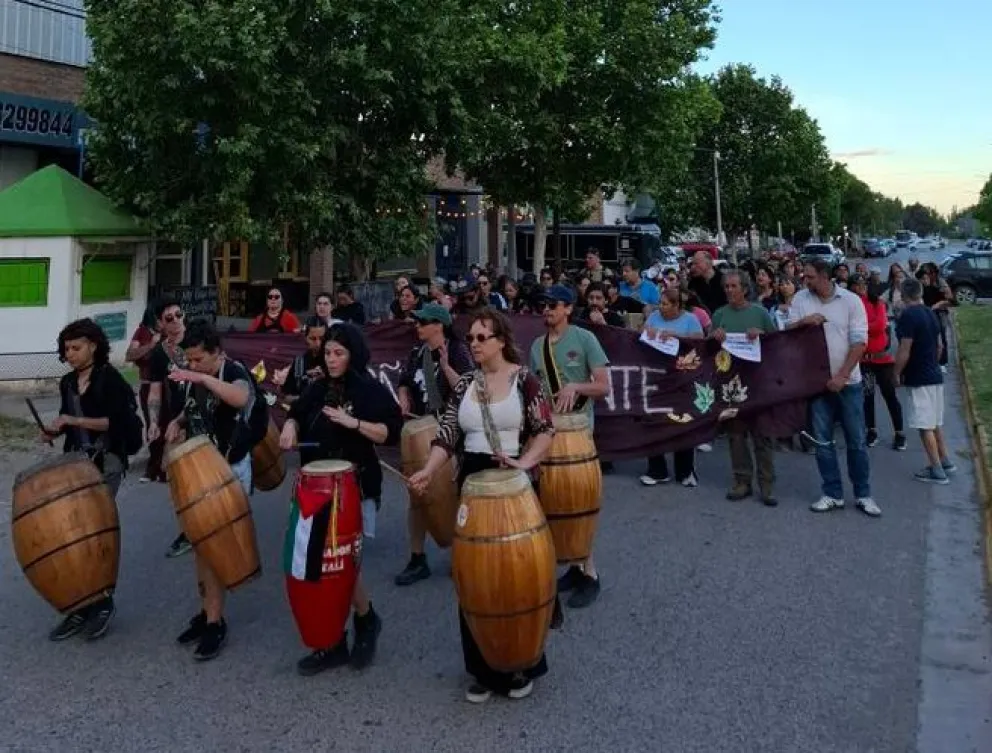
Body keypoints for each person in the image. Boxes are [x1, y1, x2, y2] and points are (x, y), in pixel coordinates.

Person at [407, 310, 556, 702]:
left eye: (481, 338)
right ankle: (482, 667)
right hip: (472, 484)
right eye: (471, 337)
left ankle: (522, 661)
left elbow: (545, 430)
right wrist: (427, 469)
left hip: (514, 483)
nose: (472, 343)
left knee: (516, 578)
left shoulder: (526, 381)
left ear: (500, 342)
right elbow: (447, 434)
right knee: (474, 578)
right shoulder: (465, 386)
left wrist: (525, 463)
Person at [277, 323, 401, 674]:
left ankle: (364, 621)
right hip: (315, 489)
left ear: (353, 356)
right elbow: (297, 413)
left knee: (344, 563)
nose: (331, 359)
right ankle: (333, 640)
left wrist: (353, 422)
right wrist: (290, 427)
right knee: (319, 564)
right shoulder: (316, 388)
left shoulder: (369, 390)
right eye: (327, 352)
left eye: (338, 353)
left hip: (354, 484)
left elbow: (390, 432)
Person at [160, 319, 266, 661]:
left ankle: (214, 621)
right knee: (201, 547)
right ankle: (208, 613)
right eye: (188, 361)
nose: (192, 366)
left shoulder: (233, 370)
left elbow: (239, 397)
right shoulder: (196, 377)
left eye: (198, 360)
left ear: (216, 354)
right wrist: (176, 422)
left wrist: (201, 377)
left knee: (212, 547)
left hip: (228, 469)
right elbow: (191, 409)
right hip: (201, 471)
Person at [41, 318, 136, 642]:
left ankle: (102, 603)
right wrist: (55, 429)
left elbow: (115, 422)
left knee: (94, 532)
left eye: (76, 347)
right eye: (66, 348)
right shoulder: (67, 382)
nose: (70, 354)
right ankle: (81, 604)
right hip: (75, 462)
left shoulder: (110, 379)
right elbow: (68, 420)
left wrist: (73, 419)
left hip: (106, 461)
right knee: (71, 534)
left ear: (93, 346)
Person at [529, 285, 611, 608]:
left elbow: (604, 386)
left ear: (567, 308)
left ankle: (590, 571)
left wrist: (576, 386)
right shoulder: (537, 346)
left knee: (578, 502)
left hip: (578, 434)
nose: (546, 309)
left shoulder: (585, 339)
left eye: (553, 304)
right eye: (544, 304)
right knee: (554, 503)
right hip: (548, 433)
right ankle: (575, 566)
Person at [788, 258, 879, 517]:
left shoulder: (851, 301)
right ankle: (832, 493)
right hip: (816, 384)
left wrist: (842, 375)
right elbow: (787, 332)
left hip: (847, 383)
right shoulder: (800, 300)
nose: (806, 281)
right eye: (805, 277)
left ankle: (863, 494)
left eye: (810, 277)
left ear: (825, 276)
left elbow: (859, 342)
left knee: (856, 441)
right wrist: (802, 323)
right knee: (822, 441)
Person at [394, 304, 473, 586]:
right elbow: (404, 380)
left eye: (423, 322)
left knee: (456, 494)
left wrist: (447, 367)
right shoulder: (417, 353)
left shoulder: (459, 350)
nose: (417, 326)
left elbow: (468, 389)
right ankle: (417, 558)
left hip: (453, 432)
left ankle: (460, 554)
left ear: (439, 325)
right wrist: (404, 395)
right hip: (423, 429)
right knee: (417, 496)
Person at [710, 271, 779, 506]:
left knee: (763, 436)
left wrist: (762, 335)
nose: (729, 290)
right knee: (736, 436)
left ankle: (767, 485)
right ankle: (742, 481)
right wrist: (714, 337)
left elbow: (777, 343)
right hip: (731, 384)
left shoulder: (759, 313)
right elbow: (707, 349)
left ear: (745, 289)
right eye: (726, 286)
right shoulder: (719, 314)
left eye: (733, 286)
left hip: (758, 382)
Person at [894, 278, 956, 484]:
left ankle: (936, 469)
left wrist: (896, 373)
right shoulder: (931, 313)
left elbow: (904, 349)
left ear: (903, 294)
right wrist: (932, 363)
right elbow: (939, 346)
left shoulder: (907, 316)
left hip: (919, 378)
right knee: (935, 422)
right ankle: (945, 460)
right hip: (934, 374)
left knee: (924, 425)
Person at [640, 288, 704, 487]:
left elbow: (699, 341)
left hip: (682, 377)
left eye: (666, 304)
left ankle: (685, 471)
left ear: (677, 305)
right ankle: (657, 470)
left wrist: (675, 335)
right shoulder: (654, 317)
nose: (661, 307)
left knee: (683, 421)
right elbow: (642, 335)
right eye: (661, 303)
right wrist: (647, 331)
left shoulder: (691, 319)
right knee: (654, 421)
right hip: (657, 375)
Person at [146, 298, 194, 557]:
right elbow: (154, 392)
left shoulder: (198, 338)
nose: (176, 321)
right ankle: (188, 529)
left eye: (179, 315)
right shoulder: (158, 354)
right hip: (177, 420)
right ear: (160, 325)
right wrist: (153, 422)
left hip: (203, 416)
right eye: (169, 318)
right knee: (175, 475)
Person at [849, 275, 906, 451]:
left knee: (890, 396)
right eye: (857, 284)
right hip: (864, 361)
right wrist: (865, 326)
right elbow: (849, 328)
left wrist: (861, 327)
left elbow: (880, 325)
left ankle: (899, 433)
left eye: (863, 284)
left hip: (882, 359)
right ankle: (871, 430)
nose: (861, 287)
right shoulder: (851, 306)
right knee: (868, 397)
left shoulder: (877, 303)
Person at [125, 303, 163, 482]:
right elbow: (130, 354)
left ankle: (167, 466)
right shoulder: (142, 332)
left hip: (170, 385)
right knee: (153, 426)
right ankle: (153, 468)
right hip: (148, 385)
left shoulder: (172, 331)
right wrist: (150, 345)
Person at [271, 316, 328, 405]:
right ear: (305, 338)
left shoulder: (334, 361)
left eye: (322, 338)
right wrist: (306, 398)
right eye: (313, 339)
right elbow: (286, 397)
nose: (318, 343)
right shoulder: (299, 362)